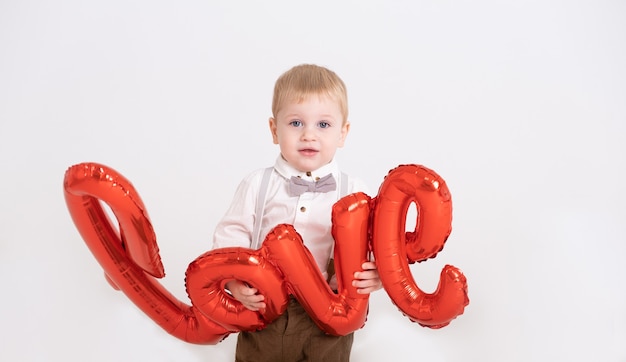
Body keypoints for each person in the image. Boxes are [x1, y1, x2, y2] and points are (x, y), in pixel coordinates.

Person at [212, 64, 382, 361]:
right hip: (264, 309)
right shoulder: (257, 184)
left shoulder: (354, 190)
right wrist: (234, 283)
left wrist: (377, 272)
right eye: (296, 123)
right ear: (274, 130)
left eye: (323, 125)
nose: (309, 135)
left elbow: (373, 244)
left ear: (343, 133)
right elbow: (229, 239)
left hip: (328, 317)